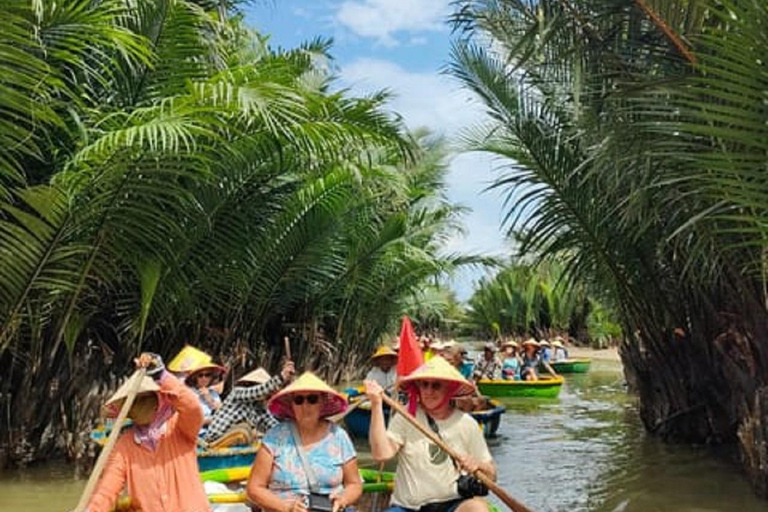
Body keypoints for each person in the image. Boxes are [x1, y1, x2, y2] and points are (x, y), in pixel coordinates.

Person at [364, 357, 497, 512]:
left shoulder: (467, 424)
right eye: (424, 384)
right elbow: (381, 454)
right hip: (408, 508)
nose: (428, 391)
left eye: (436, 386)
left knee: (477, 508)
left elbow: (492, 476)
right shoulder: (407, 416)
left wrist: (477, 465)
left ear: (449, 389)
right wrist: (376, 405)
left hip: (451, 505)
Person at [84, 352, 209, 512]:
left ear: (160, 399)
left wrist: (161, 375)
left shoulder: (179, 428)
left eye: (146, 398)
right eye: (135, 401)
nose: (141, 405)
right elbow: (108, 488)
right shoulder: (126, 444)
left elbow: (193, 407)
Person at [247, 372, 363, 512]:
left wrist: (342, 499)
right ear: (293, 405)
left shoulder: (338, 436)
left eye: (312, 399)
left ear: (322, 403)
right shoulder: (275, 437)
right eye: (299, 400)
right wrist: (285, 507)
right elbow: (254, 487)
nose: (305, 405)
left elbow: (354, 484)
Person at [204, 360, 296, 446]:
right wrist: (282, 376)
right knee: (246, 430)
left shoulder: (259, 408)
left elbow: (274, 426)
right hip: (215, 439)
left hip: (233, 443)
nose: (267, 397)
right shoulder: (238, 393)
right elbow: (260, 391)